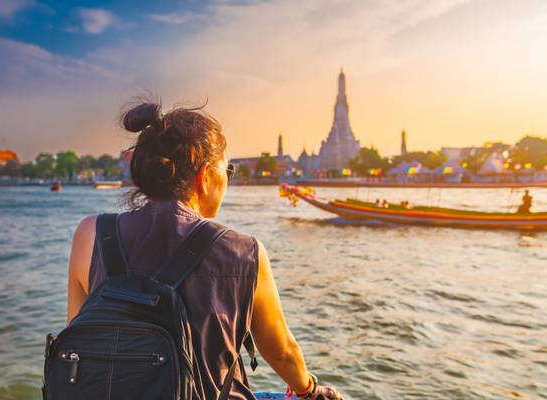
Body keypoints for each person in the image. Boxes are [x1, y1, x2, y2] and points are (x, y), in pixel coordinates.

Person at [66, 102, 344, 400]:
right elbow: (282, 354)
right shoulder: (245, 252)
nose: (228, 179)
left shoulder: (90, 234)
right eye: (228, 170)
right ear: (206, 176)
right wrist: (310, 389)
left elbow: (77, 333)